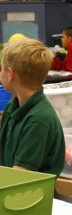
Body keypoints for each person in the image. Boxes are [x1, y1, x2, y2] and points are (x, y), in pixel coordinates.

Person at [0, 38, 65, 176]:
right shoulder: (12, 107)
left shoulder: (39, 120)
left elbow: (19, 176)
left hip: (29, 194)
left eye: (2, 69)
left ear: (10, 74)